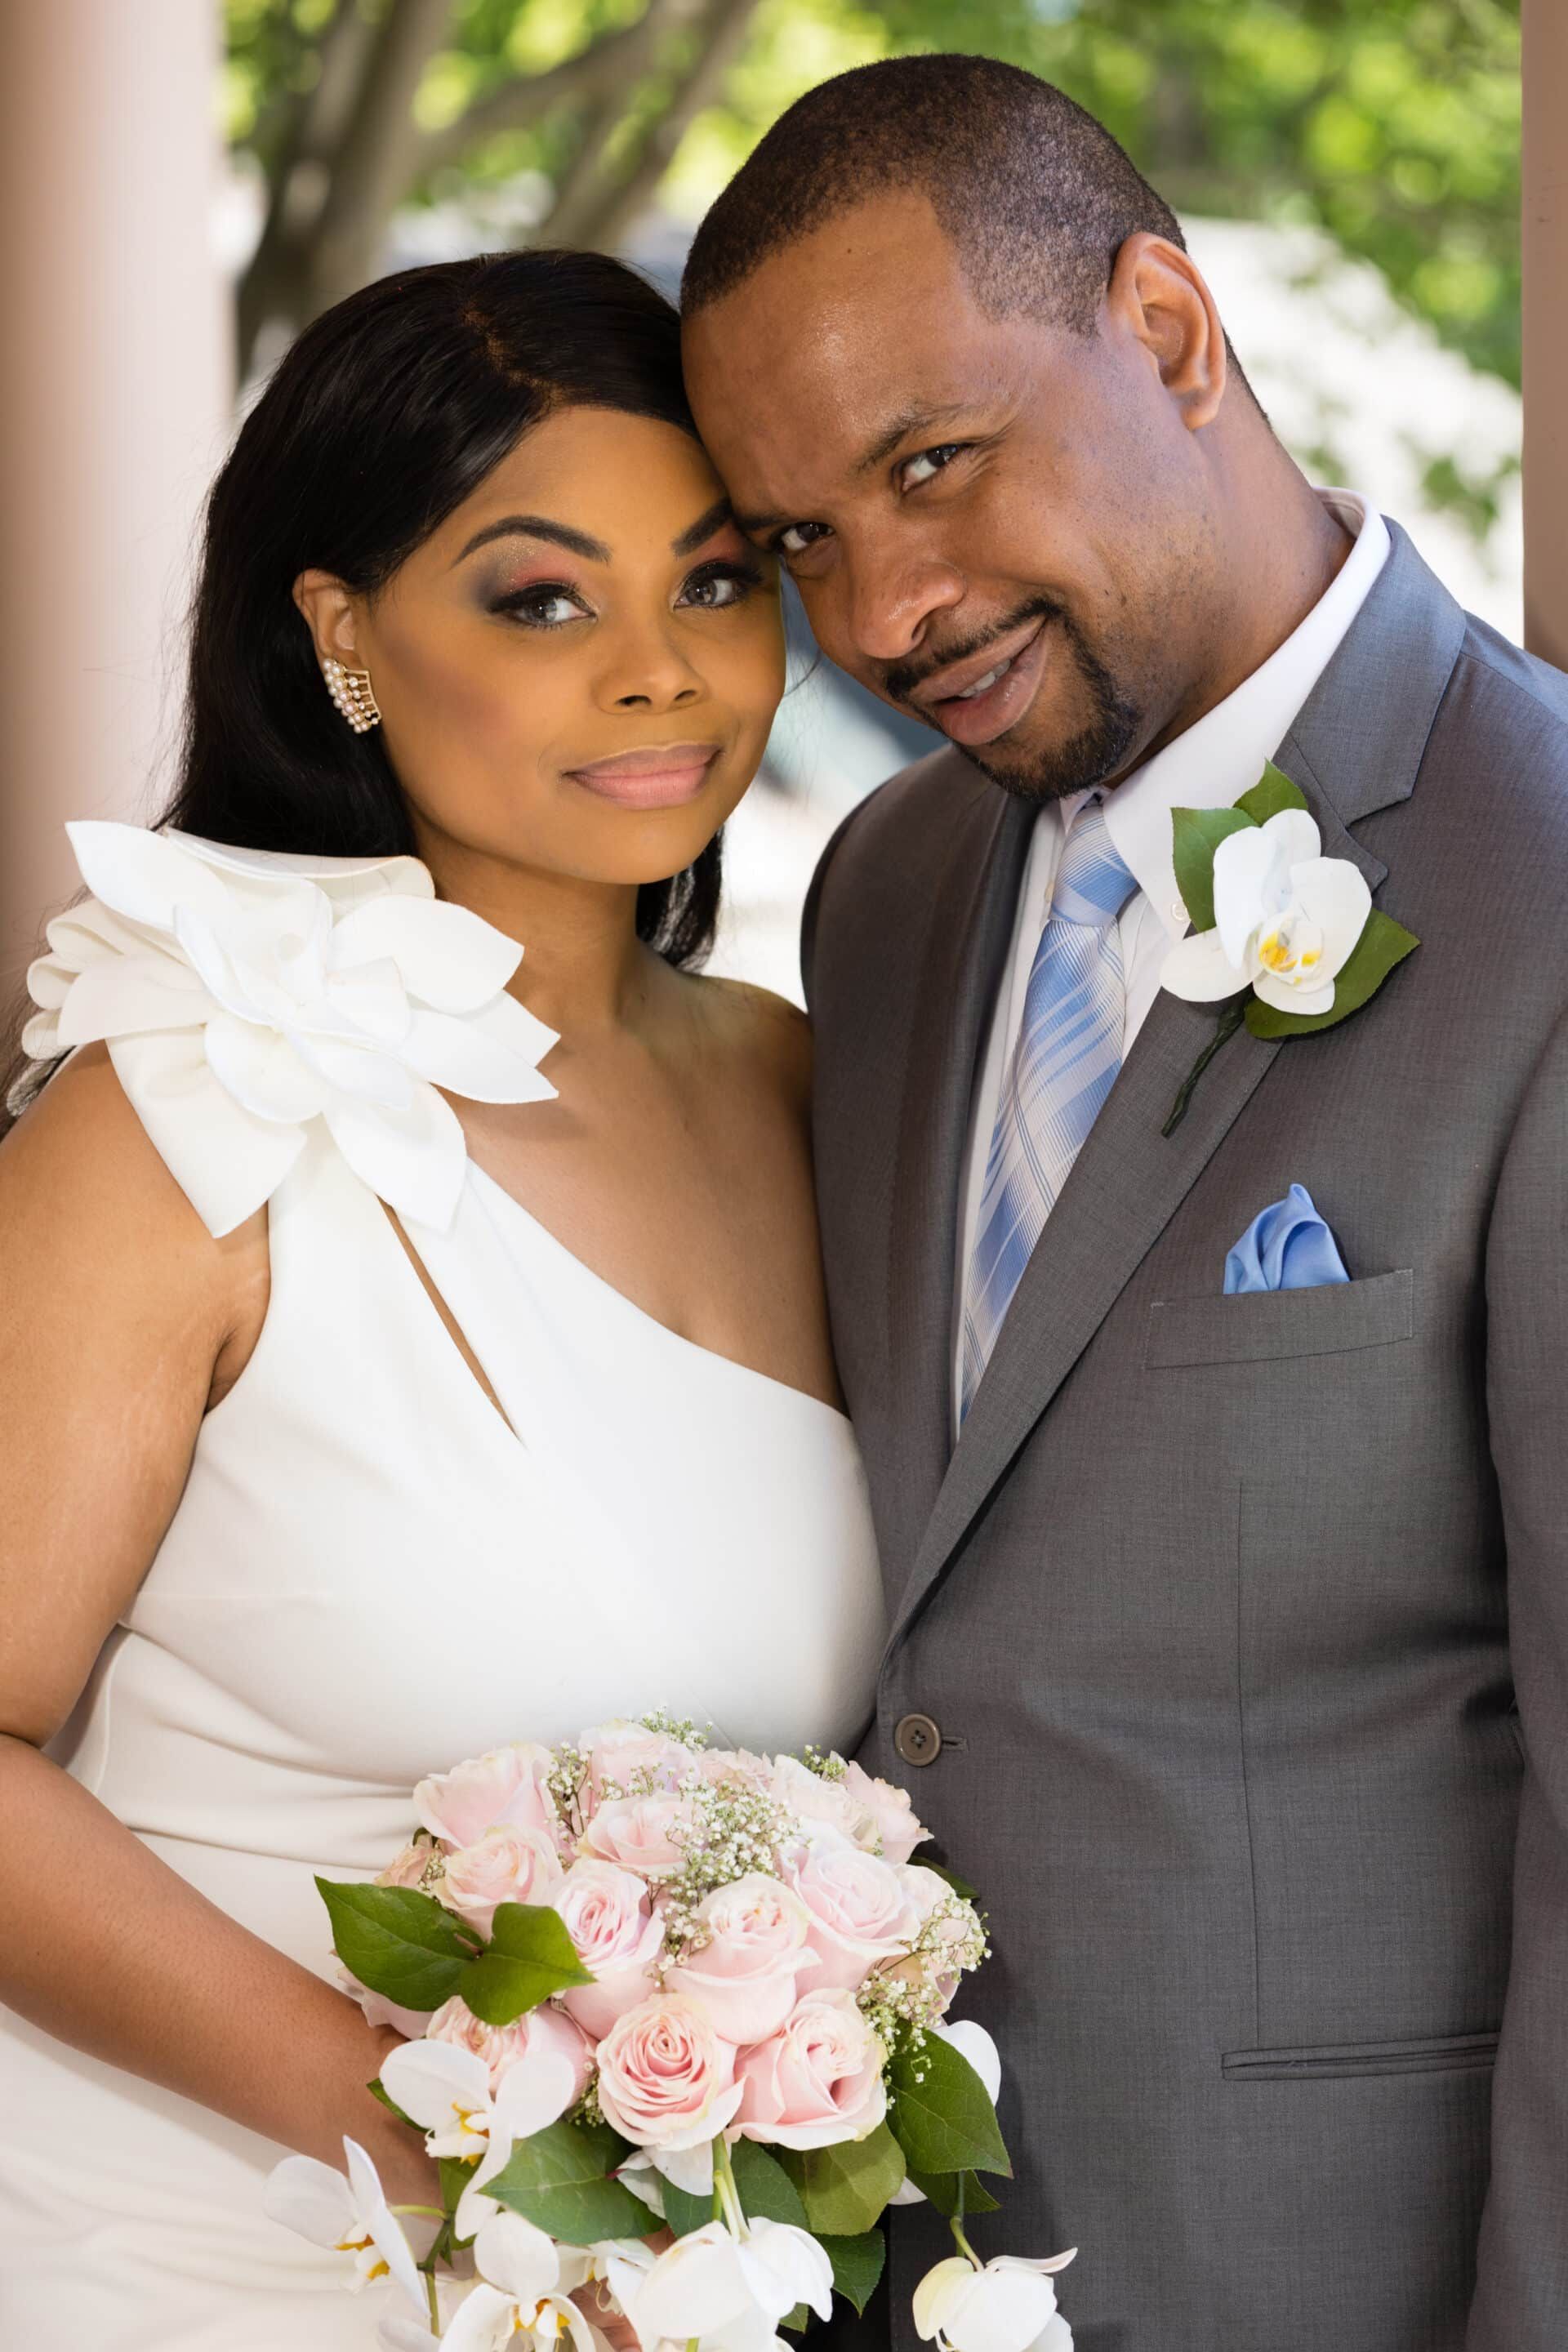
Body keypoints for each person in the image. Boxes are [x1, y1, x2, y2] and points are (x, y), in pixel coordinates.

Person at [680, 53, 1568, 2352]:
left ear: (1169, 330)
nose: (878, 614)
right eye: (798, 542)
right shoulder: (882, 893)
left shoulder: (1547, 888)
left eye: (929, 466)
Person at [0, 249, 884, 2345]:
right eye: (541, 595)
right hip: (204, 2260)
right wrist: (464, 2146)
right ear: (341, 634)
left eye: (719, 579)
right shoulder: (182, 1105)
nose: (662, 673)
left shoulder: (807, 1083)